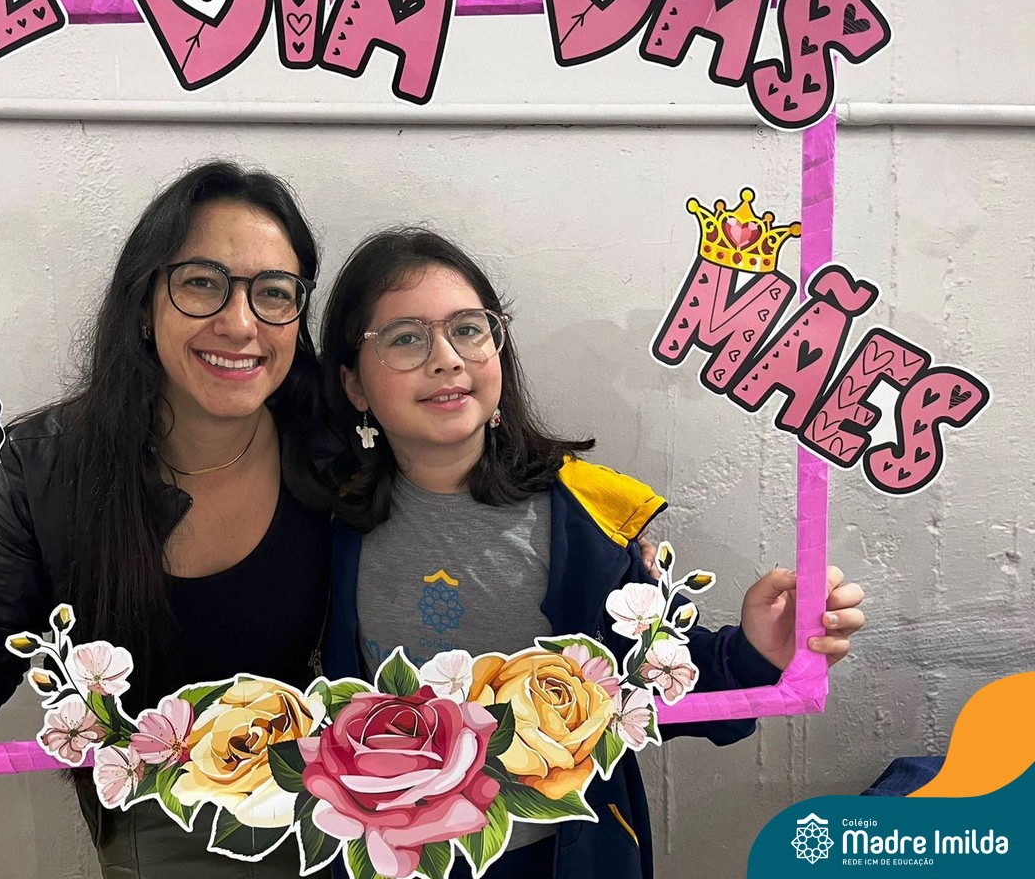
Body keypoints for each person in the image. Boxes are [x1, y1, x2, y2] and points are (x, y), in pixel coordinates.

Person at [316, 227, 866, 879]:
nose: (447, 359)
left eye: (468, 329)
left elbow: (652, 685)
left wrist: (755, 652)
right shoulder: (325, 521)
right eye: (405, 338)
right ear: (354, 386)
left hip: (560, 859)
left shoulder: (588, 518)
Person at [0, 160, 332, 878]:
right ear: (144, 304)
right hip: (159, 827)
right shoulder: (50, 467)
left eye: (274, 292)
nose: (239, 323)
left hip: (339, 810)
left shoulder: (334, 451)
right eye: (202, 283)